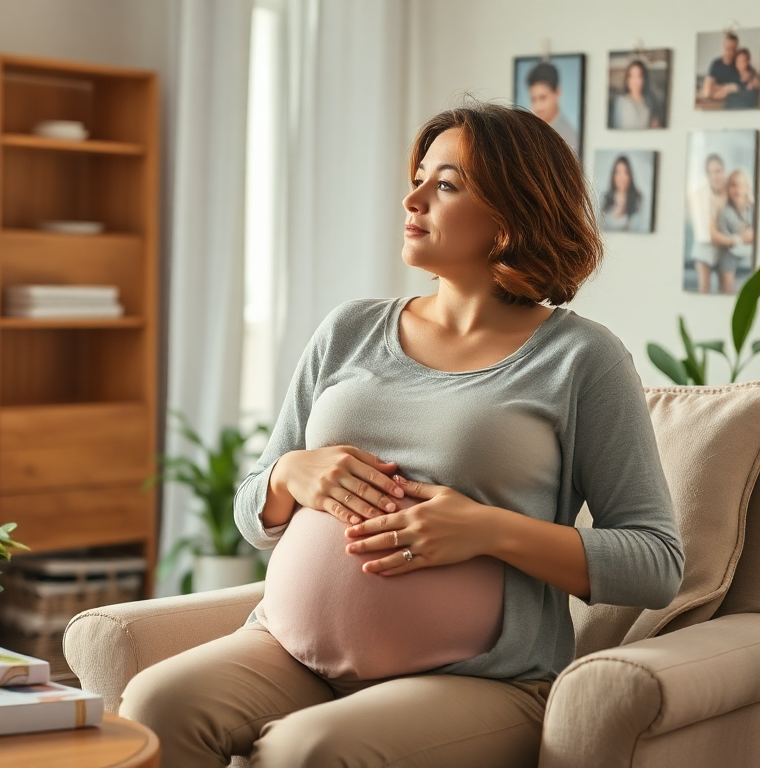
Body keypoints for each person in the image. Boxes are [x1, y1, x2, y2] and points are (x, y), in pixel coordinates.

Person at [120, 103, 683, 767]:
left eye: (445, 185)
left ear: (513, 214)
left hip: (480, 682)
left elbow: (656, 563)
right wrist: (286, 476)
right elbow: (253, 511)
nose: (412, 198)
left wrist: (486, 529)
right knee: (154, 706)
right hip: (289, 651)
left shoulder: (581, 360)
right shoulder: (350, 329)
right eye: (417, 177)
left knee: (309, 751)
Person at [686, 153, 730, 293]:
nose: (715, 176)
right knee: (704, 288)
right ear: (707, 175)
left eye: (718, 171)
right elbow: (706, 232)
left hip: (724, 246)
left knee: (726, 288)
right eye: (711, 172)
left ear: (723, 171)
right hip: (704, 246)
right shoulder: (700, 194)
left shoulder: (729, 193)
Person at [713, 169, 754, 295]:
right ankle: (727, 290)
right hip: (731, 253)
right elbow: (724, 238)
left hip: (749, 253)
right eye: (733, 185)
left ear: (747, 187)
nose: (737, 189)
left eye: (741, 185)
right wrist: (740, 238)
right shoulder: (726, 212)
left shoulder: (753, 209)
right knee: (726, 256)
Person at [525, 61, 580, 152]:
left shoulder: (569, 136)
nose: (538, 107)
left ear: (557, 93)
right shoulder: (528, 133)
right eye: (533, 99)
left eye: (543, 98)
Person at [610, 59, 662, 129]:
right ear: (627, 79)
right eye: (632, 76)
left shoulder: (650, 102)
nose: (635, 81)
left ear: (644, 79)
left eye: (639, 76)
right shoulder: (620, 102)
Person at [600, 155, 645, 232]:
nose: (622, 177)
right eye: (618, 172)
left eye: (626, 172)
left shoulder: (638, 200)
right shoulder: (605, 198)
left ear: (630, 176)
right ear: (613, 176)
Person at [700, 31, 742, 105]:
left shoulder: (739, 63)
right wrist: (726, 88)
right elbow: (707, 90)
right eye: (728, 49)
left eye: (734, 49)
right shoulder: (716, 64)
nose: (731, 52)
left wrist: (719, 88)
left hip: (734, 102)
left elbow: (739, 88)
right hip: (716, 101)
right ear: (723, 47)